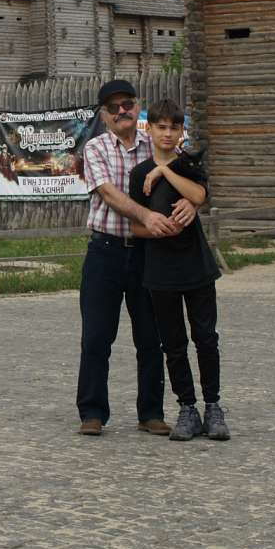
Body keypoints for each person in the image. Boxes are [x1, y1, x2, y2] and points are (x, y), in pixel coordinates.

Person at [76, 79, 197, 437]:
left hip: (148, 252)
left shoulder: (157, 144)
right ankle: (92, 412)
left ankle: (151, 412)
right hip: (106, 250)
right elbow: (108, 194)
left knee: (151, 336)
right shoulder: (94, 148)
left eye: (127, 104)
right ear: (104, 115)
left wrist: (192, 201)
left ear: (137, 106)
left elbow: (190, 176)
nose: (121, 112)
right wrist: (147, 216)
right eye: (113, 108)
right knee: (97, 336)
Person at [129, 99, 229, 442]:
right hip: (160, 269)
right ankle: (187, 408)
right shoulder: (139, 174)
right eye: (161, 127)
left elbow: (199, 194)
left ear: (181, 131)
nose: (168, 133)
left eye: (174, 127)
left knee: (206, 338)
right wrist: (156, 227)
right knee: (173, 343)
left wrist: (165, 171)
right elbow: (135, 226)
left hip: (196, 265)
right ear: (150, 129)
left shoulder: (188, 163)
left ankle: (213, 406)